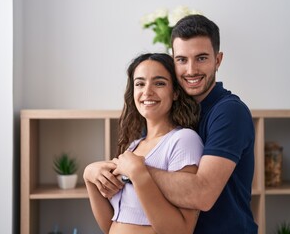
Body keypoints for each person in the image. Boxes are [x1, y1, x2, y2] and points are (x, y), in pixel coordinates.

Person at [103, 15, 258, 233]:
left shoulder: (229, 112)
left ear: (218, 60)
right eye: (182, 60)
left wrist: (135, 170)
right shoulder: (167, 114)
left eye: (202, 58)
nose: (191, 70)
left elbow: (202, 196)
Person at [83, 53, 204, 234]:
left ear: (176, 92)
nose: (147, 92)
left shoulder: (184, 140)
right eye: (140, 84)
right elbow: (111, 226)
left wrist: (138, 173)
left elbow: (181, 231)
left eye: (159, 83)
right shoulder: (134, 146)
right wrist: (89, 177)